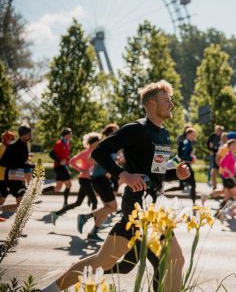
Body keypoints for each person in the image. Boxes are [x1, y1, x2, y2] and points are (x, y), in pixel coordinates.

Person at [41, 80, 190, 292]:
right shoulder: (136, 129)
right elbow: (98, 152)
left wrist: (177, 173)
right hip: (139, 207)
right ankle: (51, 289)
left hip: (155, 207)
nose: (172, 105)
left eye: (171, 100)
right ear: (151, 104)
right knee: (172, 260)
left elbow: (155, 172)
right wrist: (123, 175)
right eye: (167, 101)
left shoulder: (163, 134)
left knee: (108, 261)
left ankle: (51, 289)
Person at [77, 125, 120, 242]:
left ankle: (93, 233)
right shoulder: (104, 143)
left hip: (102, 179)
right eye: (117, 130)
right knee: (113, 207)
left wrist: (111, 167)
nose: (120, 132)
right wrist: (107, 166)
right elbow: (91, 159)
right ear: (110, 132)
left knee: (108, 208)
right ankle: (84, 217)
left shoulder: (113, 144)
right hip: (99, 179)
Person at [50, 132, 101, 225]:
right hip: (84, 180)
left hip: (88, 179)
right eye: (98, 141)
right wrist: (81, 169)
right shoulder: (86, 152)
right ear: (93, 142)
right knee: (95, 201)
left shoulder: (95, 152)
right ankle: (96, 225)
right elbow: (72, 161)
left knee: (78, 203)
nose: (99, 143)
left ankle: (56, 214)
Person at [0, 126, 33, 216]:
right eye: (29, 134)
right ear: (23, 135)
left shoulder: (25, 145)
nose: (31, 136)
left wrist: (29, 166)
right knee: (23, 204)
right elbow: (2, 162)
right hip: (12, 179)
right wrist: (18, 165)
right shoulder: (12, 146)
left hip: (20, 178)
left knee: (22, 205)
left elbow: (22, 162)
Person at [164, 127, 197, 204]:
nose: (194, 136)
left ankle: (194, 202)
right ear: (188, 134)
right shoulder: (186, 143)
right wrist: (191, 158)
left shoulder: (187, 143)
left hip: (184, 165)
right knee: (192, 184)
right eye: (193, 135)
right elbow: (181, 156)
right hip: (184, 165)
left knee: (184, 186)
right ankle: (194, 203)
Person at [216, 138, 236, 218]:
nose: (234, 146)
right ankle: (229, 210)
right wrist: (230, 173)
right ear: (229, 146)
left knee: (227, 196)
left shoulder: (231, 154)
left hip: (227, 177)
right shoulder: (228, 154)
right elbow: (222, 164)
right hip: (228, 178)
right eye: (233, 145)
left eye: (235, 145)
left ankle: (219, 212)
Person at [51, 128, 73, 207]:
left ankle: (38, 193)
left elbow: (66, 156)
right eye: (69, 134)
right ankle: (65, 203)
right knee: (69, 185)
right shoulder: (59, 143)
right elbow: (51, 154)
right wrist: (59, 161)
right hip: (59, 167)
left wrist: (67, 166)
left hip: (64, 167)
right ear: (65, 135)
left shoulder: (67, 143)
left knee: (58, 188)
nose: (71, 135)